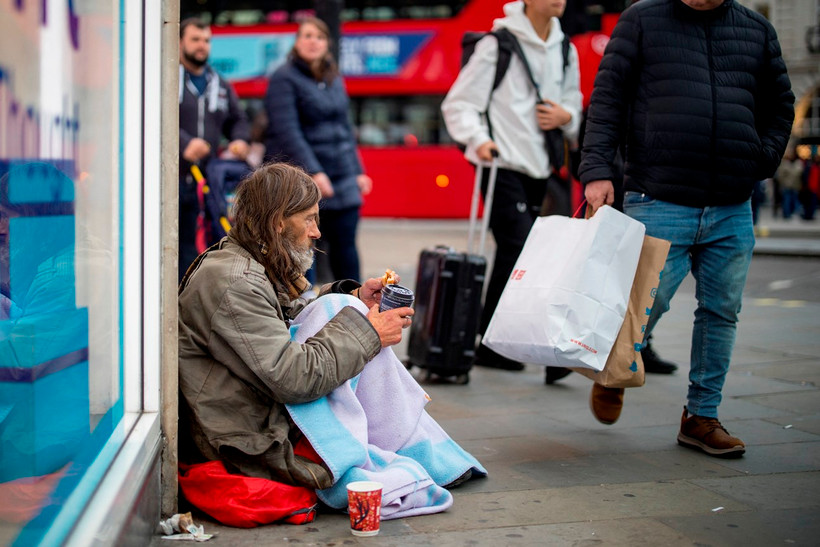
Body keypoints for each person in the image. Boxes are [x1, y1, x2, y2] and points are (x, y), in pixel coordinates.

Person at [177, 163, 482, 515]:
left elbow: (279, 322)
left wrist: (354, 299)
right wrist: (369, 331)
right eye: (308, 219)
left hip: (252, 411)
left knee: (344, 305)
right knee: (347, 315)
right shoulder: (235, 281)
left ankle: (412, 446)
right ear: (278, 221)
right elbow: (292, 378)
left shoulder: (243, 261)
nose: (317, 232)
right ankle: (411, 448)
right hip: (247, 440)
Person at [580, 0, 794, 457]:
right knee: (643, 306)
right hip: (658, 195)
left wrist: (761, 157)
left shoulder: (756, 29)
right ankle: (616, 369)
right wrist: (598, 168)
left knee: (721, 311)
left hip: (732, 203)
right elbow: (608, 97)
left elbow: (780, 104)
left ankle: (701, 416)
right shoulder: (641, 19)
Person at [441, 0, 582, 371]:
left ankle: (495, 338)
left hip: (542, 166)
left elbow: (574, 103)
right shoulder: (497, 44)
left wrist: (567, 116)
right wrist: (479, 139)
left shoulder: (566, 48)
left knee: (521, 251)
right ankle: (494, 340)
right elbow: (458, 104)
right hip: (500, 161)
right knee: (518, 245)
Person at [263, 17, 372, 283]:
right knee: (302, 251)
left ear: (328, 44)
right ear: (297, 42)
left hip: (343, 176)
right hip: (306, 178)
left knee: (347, 249)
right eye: (307, 36)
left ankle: (355, 305)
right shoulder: (283, 78)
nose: (313, 42)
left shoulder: (334, 78)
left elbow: (345, 128)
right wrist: (314, 172)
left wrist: (358, 171)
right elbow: (287, 131)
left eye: (320, 37)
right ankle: (303, 310)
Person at [178, 17, 251, 281]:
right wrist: (184, 143)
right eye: (195, 39)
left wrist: (240, 140)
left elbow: (238, 120)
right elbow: (152, 117)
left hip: (208, 181)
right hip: (171, 179)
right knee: (178, 246)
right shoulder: (165, 79)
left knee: (207, 245)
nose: (202, 46)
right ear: (179, 43)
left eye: (206, 40)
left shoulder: (219, 82)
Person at [776, 149, 803, 220]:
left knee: (794, 199)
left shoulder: (798, 163)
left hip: (795, 185)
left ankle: (794, 213)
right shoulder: (785, 163)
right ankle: (787, 214)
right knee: (787, 200)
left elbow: (800, 175)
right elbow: (780, 175)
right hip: (787, 185)